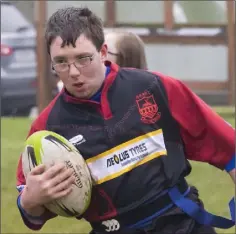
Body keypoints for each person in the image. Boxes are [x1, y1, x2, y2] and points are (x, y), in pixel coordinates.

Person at [16, 7, 235, 234]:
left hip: (182, 224)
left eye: (83, 59)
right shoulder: (47, 128)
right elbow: (33, 216)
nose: (72, 72)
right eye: (61, 62)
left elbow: (229, 147)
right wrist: (30, 200)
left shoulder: (154, 88)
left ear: (102, 52)